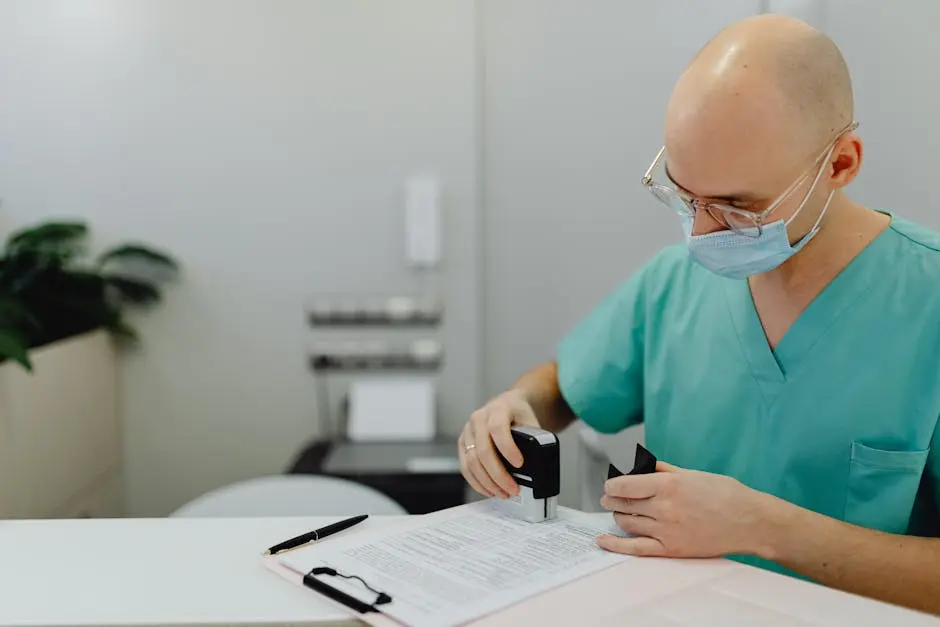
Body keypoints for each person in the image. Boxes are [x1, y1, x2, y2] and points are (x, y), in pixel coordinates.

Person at [458, 13, 940, 615]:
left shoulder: (926, 304)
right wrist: (519, 405)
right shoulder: (673, 284)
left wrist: (765, 527)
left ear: (840, 164)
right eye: (686, 198)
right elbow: (565, 386)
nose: (704, 234)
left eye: (738, 209)